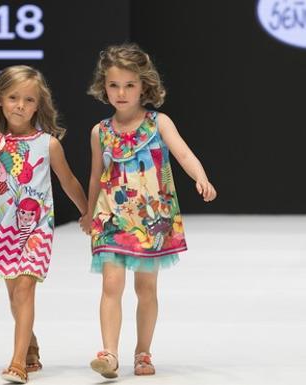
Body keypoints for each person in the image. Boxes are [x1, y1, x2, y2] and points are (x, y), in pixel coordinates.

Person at [80, 43, 217, 378]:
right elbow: (97, 173)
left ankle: (143, 352)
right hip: (110, 217)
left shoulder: (159, 123)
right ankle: (109, 353)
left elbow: (183, 154)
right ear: (104, 87)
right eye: (114, 85)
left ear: (144, 86)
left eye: (130, 85)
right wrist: (87, 210)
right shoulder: (101, 132)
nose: (121, 92)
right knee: (111, 284)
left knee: (146, 288)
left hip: (151, 220)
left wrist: (201, 176)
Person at [0, 65, 88, 384]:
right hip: (2, 229)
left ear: (38, 104)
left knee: (26, 288)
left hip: (36, 230)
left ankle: (17, 361)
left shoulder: (48, 144)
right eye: (13, 97)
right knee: (14, 293)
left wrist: (87, 212)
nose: (20, 105)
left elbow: (68, 180)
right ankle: (29, 343)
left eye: (28, 99)